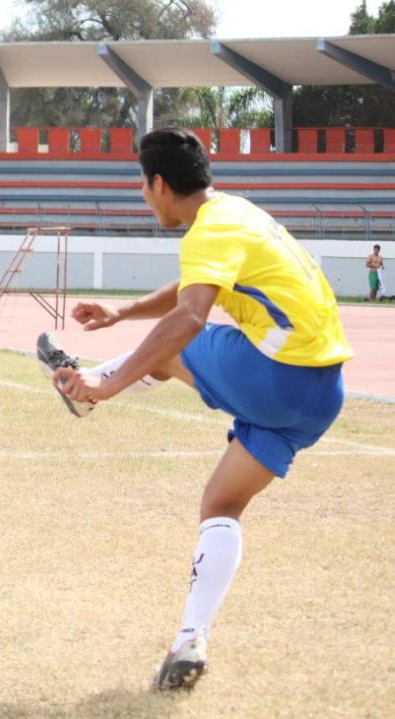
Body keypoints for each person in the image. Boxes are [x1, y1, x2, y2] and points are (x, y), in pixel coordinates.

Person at [37, 128, 353, 691]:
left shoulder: (210, 228)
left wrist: (111, 384)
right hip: (321, 396)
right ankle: (189, 641)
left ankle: (89, 385)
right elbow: (196, 285)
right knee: (221, 504)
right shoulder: (236, 213)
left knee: (174, 343)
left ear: (159, 183)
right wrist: (123, 311)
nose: (143, 195)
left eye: (142, 185)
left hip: (278, 375)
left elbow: (187, 318)